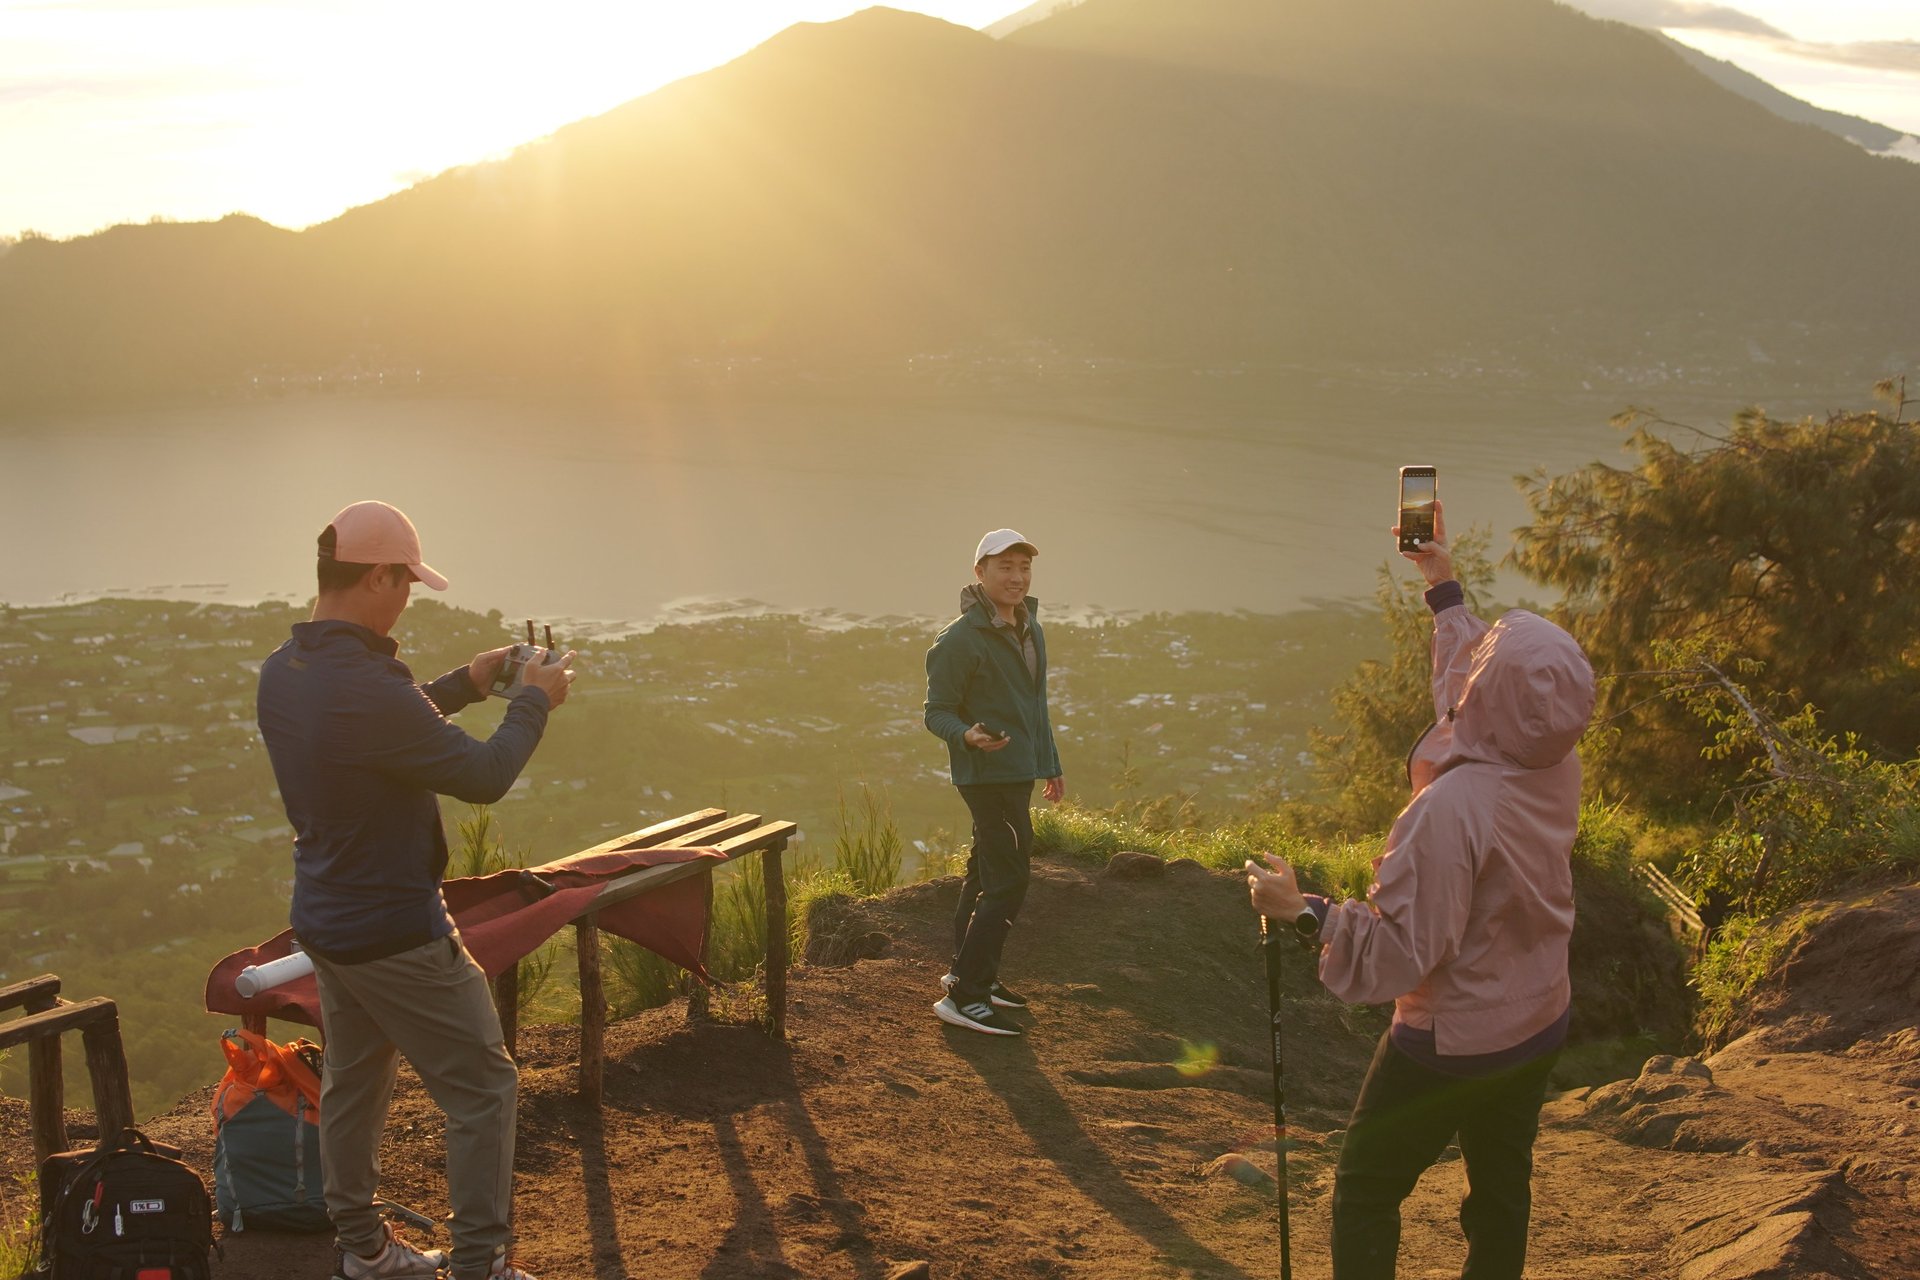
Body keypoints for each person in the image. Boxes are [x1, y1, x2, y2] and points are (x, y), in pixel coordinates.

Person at [1247, 500, 1594, 1280]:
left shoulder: (1451, 811)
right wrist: (1442, 584)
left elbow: (1407, 949)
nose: (1476, 666)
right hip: (1539, 1013)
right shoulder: (1552, 758)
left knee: (1366, 1189)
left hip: (1456, 1036)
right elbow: (1483, 697)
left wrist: (1305, 912)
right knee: (1500, 1188)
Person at [255, 500, 574, 1280]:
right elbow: (482, 775)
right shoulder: (363, 684)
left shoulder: (288, 669)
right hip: (396, 930)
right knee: (485, 1088)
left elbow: (377, 729)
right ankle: (480, 1264)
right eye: (405, 583)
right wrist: (533, 700)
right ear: (377, 577)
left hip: (326, 920)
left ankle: (363, 1249)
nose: (406, 598)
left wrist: (468, 682)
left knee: (355, 1082)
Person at [923, 528, 1066, 1036]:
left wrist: (1049, 762)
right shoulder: (960, 639)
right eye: (1005, 567)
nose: (1017, 577)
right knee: (1009, 879)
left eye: (1024, 567)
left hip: (1018, 771)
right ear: (980, 572)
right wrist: (967, 735)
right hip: (986, 776)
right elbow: (936, 712)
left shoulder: (1029, 626)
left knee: (985, 874)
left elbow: (1034, 705)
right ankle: (965, 995)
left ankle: (965, 972)